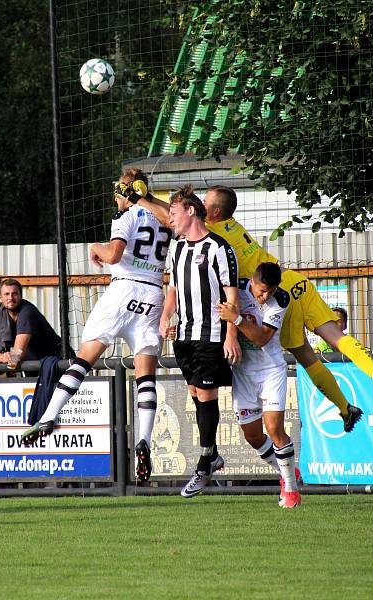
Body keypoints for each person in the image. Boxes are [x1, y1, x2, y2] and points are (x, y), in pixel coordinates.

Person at [136, 185, 373, 429]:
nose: (201, 205)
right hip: (294, 281)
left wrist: (140, 199)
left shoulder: (214, 235)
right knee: (334, 339)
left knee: (305, 356)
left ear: (213, 212)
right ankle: (370, 379)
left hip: (270, 294)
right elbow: (180, 211)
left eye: (205, 203)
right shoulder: (232, 225)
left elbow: (174, 217)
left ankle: (344, 407)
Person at [20, 167, 172, 484]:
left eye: (117, 191)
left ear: (125, 191)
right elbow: (172, 218)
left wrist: (96, 248)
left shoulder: (126, 217)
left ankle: (49, 416)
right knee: (146, 371)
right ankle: (144, 439)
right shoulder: (163, 218)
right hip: (153, 293)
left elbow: (115, 254)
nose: (114, 197)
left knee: (85, 358)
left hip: (124, 289)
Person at [157, 185, 240, 498]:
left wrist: (231, 333)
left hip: (211, 334)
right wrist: (167, 317)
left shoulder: (219, 248)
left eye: (174, 213)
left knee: (206, 393)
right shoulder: (177, 249)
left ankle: (204, 465)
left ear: (190, 211)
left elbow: (232, 296)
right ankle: (213, 453)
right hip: (185, 334)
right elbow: (175, 290)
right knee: (195, 391)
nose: (170, 220)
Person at [218, 262, 301, 508]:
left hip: (270, 370)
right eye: (262, 291)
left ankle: (291, 490)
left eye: (270, 291)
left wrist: (238, 319)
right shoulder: (237, 289)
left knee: (274, 428)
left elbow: (263, 338)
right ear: (252, 282)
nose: (265, 296)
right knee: (253, 436)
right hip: (243, 372)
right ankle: (287, 471)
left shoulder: (281, 299)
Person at [0, 279, 62, 370]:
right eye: (6, 294)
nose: (11, 298)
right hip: (29, 365)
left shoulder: (27, 312)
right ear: (0, 298)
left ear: (21, 296)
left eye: (14, 294)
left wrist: (7, 372)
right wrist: (3, 357)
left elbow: (18, 354)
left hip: (54, 363)